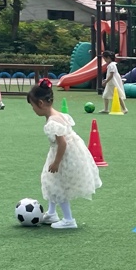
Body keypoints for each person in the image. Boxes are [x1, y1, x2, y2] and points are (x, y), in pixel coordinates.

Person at [28, 79, 101, 230]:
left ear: (40, 103)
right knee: (50, 181)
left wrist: (56, 162)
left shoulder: (52, 123)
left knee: (58, 186)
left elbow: (62, 144)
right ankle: (52, 213)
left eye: (32, 106)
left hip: (64, 156)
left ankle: (69, 219)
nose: (33, 110)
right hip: (67, 152)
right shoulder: (59, 115)